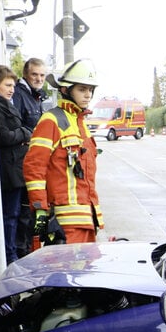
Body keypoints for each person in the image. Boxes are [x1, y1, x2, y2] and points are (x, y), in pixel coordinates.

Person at [23, 58, 102, 245]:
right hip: (63, 225)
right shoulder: (51, 120)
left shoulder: (81, 123)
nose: (88, 95)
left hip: (87, 221)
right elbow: (34, 166)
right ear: (66, 90)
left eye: (90, 90)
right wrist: (40, 208)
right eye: (82, 89)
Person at [0, 64, 32, 265]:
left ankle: (12, 253)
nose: (12, 89)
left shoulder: (5, 104)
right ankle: (9, 256)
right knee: (9, 216)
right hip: (7, 170)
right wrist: (24, 133)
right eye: (7, 85)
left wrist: (21, 134)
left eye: (13, 85)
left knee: (16, 214)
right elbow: (2, 136)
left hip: (15, 169)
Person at [11, 57, 48, 257]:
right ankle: (22, 254)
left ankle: (27, 250)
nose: (38, 78)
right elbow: (17, 126)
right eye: (34, 74)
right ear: (26, 74)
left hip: (34, 162)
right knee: (24, 212)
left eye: (42, 75)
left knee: (31, 211)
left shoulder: (36, 97)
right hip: (23, 162)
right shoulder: (19, 94)